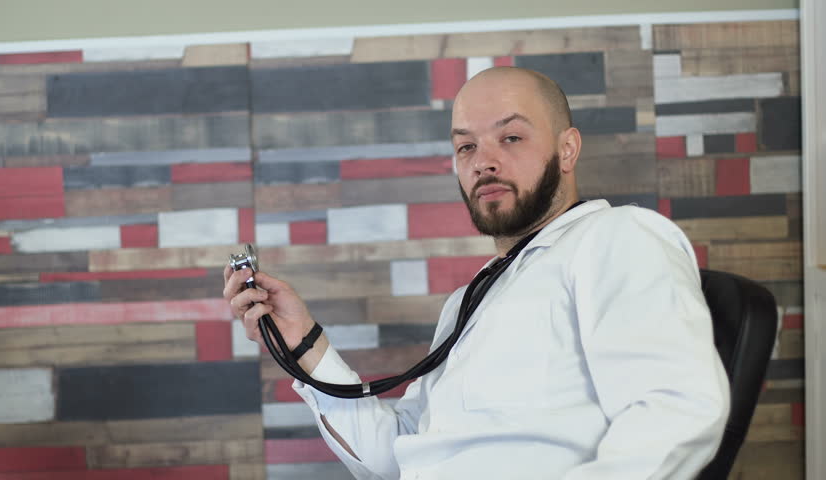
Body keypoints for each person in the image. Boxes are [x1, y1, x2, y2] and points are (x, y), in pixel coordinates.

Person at [223, 67, 730, 479]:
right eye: (466, 146)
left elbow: (677, 412)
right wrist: (303, 341)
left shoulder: (619, 238)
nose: (484, 161)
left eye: (510, 137)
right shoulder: (474, 295)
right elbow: (395, 457)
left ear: (567, 149)